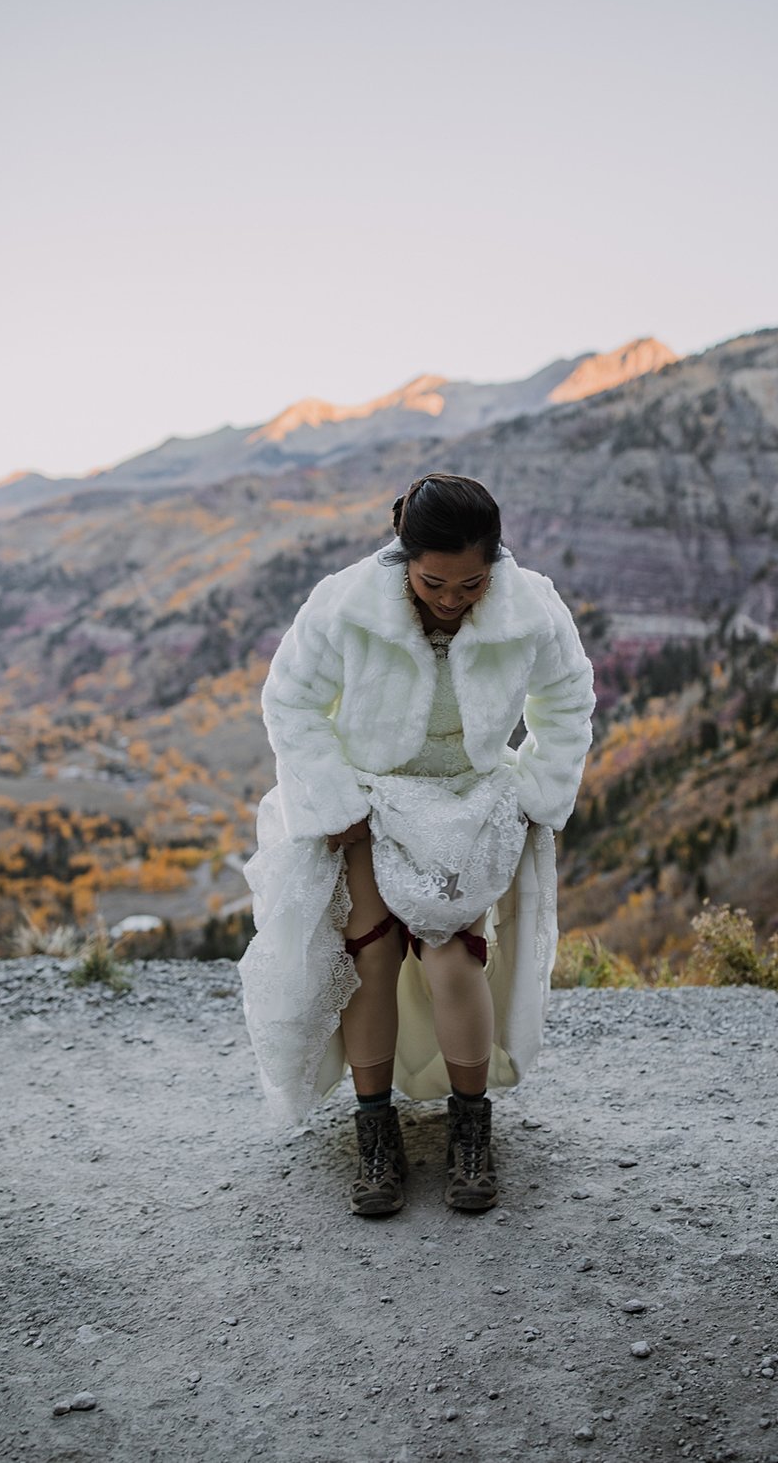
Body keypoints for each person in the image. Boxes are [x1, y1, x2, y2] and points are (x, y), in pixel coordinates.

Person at [237, 473, 595, 1216]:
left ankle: (471, 1134)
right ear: (404, 559)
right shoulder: (343, 603)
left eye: (472, 582)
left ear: (495, 562)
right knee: (370, 948)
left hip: (471, 799)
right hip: (368, 800)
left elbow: (567, 698)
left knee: (451, 954)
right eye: (435, 582)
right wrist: (333, 800)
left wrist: (538, 790)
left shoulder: (532, 605)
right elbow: (290, 700)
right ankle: (377, 1139)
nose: (454, 598)